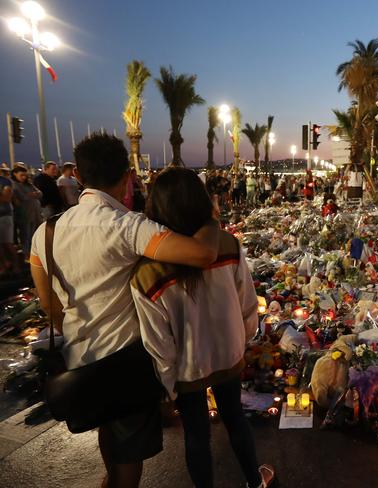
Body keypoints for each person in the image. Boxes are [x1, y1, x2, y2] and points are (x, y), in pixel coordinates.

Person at [29, 133, 220, 488]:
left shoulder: (46, 232)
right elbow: (201, 254)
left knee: (109, 436)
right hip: (123, 361)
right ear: (127, 175)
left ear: (81, 177)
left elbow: (48, 304)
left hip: (80, 359)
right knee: (129, 457)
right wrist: (210, 222)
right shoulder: (127, 227)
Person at [131, 168, 274, 488]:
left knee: (196, 435)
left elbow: (158, 341)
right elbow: (248, 302)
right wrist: (244, 340)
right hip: (227, 354)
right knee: (235, 418)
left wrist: (168, 385)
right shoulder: (226, 244)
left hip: (186, 369)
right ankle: (254, 481)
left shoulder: (147, 271)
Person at [11, 166, 42, 258]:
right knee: (25, 235)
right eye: (21, 175)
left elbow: (40, 193)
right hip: (23, 214)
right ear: (15, 174)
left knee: (33, 234)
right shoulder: (14, 185)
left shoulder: (28, 184)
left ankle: (34, 254)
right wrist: (31, 195)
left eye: (25, 175)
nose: (24, 177)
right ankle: (26, 255)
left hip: (34, 213)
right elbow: (22, 197)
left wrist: (33, 194)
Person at [0, 169, 19, 275]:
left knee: (7, 243)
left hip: (4, 215)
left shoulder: (5, 181)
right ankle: (4, 265)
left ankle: (16, 266)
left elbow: (6, 197)